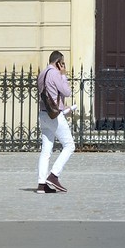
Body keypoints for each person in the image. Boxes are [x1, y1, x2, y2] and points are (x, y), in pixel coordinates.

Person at [36, 49, 76, 194]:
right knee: (70, 145)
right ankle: (54, 175)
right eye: (63, 63)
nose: (64, 66)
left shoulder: (42, 73)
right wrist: (63, 75)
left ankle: (41, 184)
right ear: (58, 63)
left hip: (43, 114)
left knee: (46, 149)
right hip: (54, 116)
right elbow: (67, 92)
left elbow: (49, 94)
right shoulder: (55, 73)